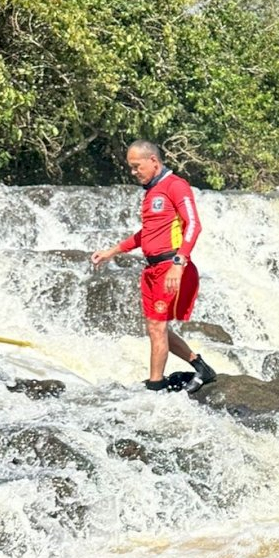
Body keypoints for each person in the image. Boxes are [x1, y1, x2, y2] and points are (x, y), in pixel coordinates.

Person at [91, 142, 217, 392]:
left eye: (137, 166)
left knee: (158, 328)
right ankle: (200, 366)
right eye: (131, 167)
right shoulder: (151, 192)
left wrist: (179, 263)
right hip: (152, 269)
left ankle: (155, 386)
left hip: (170, 266)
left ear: (153, 161)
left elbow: (193, 225)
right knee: (154, 326)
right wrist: (111, 252)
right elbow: (146, 235)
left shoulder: (175, 186)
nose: (133, 172)